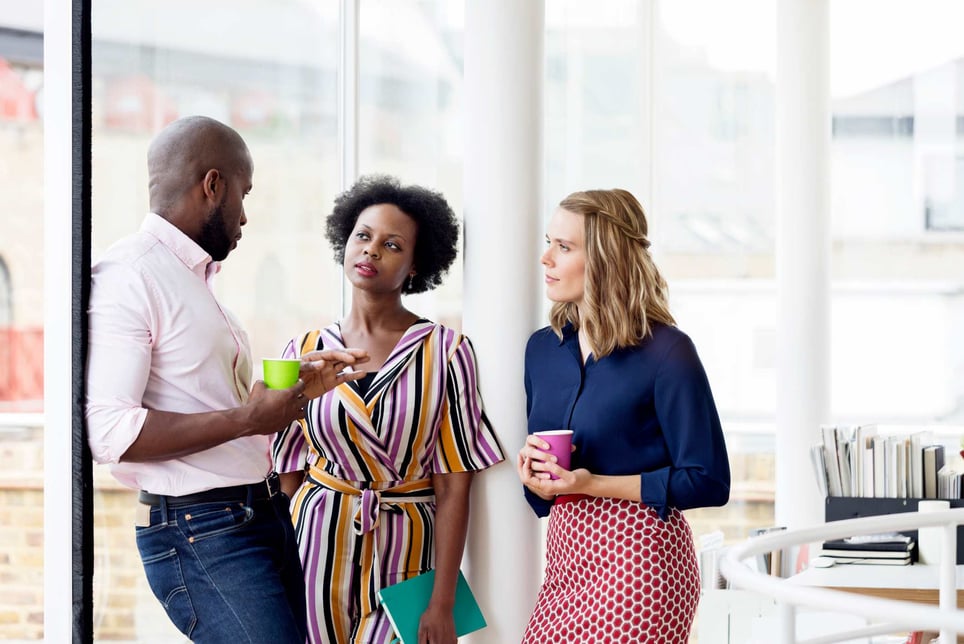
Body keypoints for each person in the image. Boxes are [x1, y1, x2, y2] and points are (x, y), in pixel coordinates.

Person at [85, 115, 369, 643]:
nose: (245, 215)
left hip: (256, 513)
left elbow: (207, 401)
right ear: (213, 185)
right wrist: (246, 419)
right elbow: (109, 431)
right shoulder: (131, 275)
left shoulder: (192, 280)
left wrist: (293, 393)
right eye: (244, 192)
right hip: (202, 531)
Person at [272, 174, 505, 644]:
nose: (371, 250)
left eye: (392, 244)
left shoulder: (447, 351)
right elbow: (287, 466)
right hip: (317, 547)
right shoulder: (307, 349)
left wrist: (442, 601)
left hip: (409, 549)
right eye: (363, 235)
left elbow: (454, 484)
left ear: (416, 266)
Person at [515, 188, 730, 644]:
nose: (545, 258)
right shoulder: (542, 350)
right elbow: (547, 496)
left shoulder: (668, 352)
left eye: (564, 247)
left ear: (606, 259)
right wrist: (535, 479)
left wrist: (592, 484)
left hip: (641, 564)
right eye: (549, 241)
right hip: (566, 563)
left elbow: (709, 480)